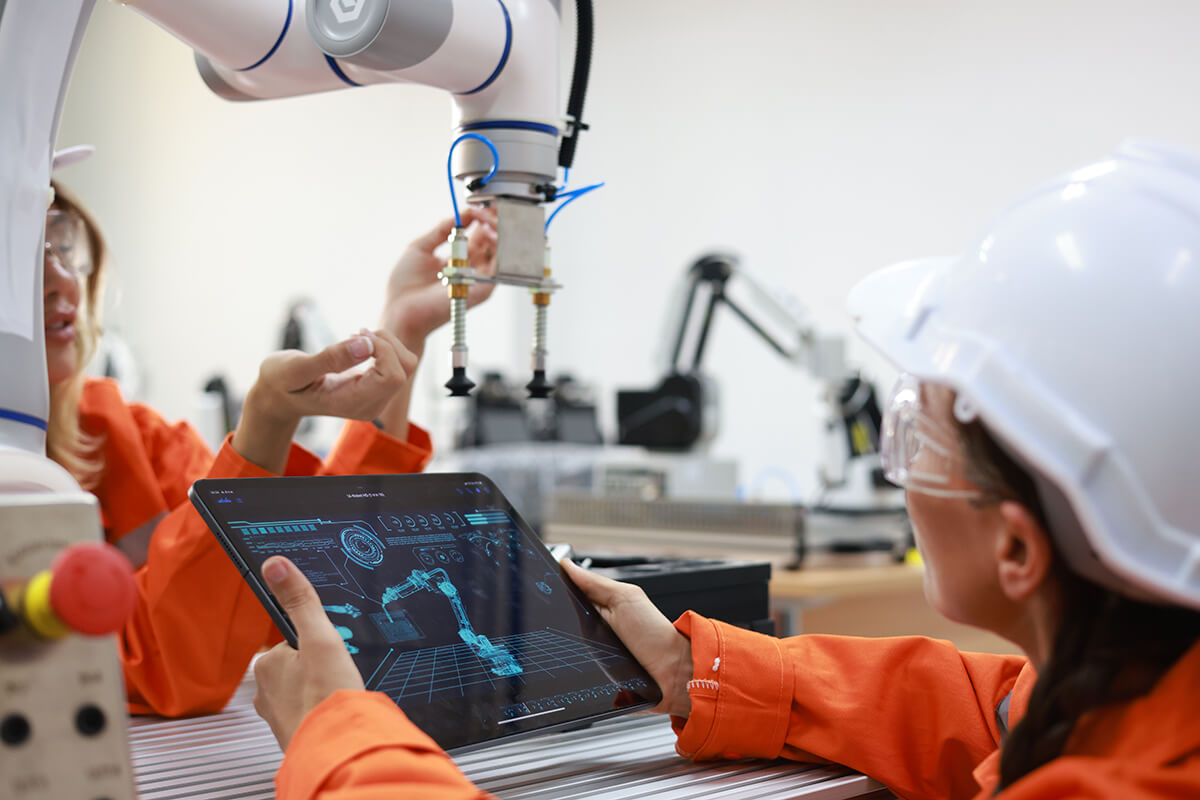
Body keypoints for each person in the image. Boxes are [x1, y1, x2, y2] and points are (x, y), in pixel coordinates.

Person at [249, 138, 1200, 799]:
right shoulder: (1132, 696)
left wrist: (342, 740)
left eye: (920, 438)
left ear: (1022, 548)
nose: (902, 477)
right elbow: (987, 711)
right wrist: (688, 666)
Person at [43, 174, 498, 717]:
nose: (60, 282)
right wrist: (266, 423)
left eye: (60, 247)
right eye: (20, 256)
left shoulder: (134, 436)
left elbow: (316, 578)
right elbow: (160, 668)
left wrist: (403, 322)